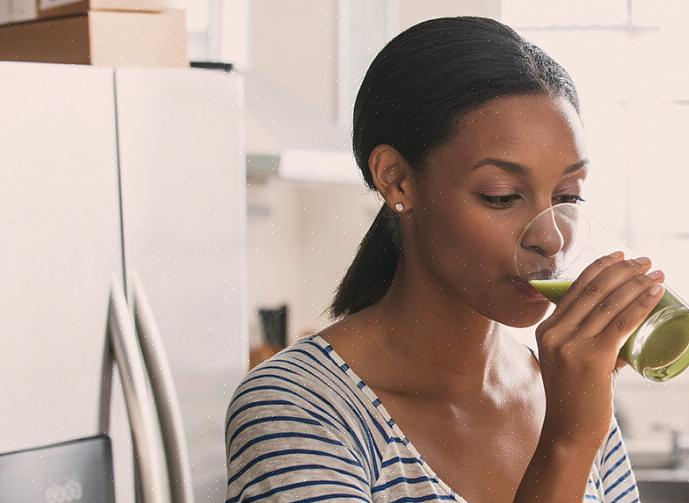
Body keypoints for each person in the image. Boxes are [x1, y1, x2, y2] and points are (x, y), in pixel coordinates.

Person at [225, 15, 664, 503]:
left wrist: (576, 425)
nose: (552, 239)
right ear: (398, 181)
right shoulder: (298, 406)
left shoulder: (565, 393)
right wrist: (566, 443)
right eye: (501, 196)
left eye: (568, 196)